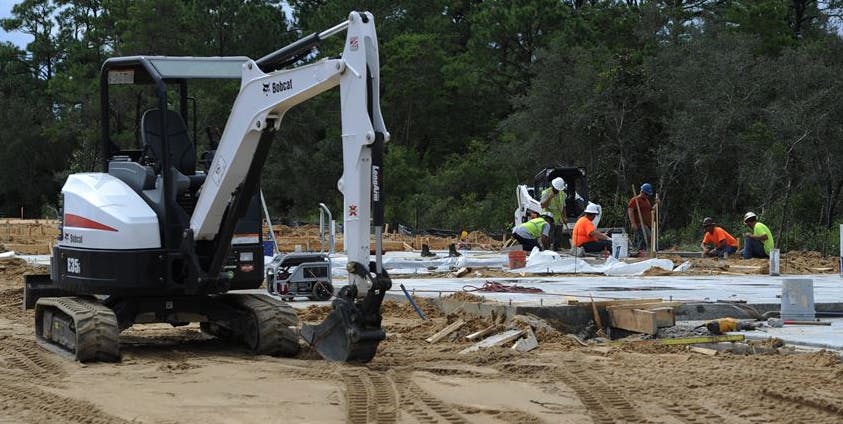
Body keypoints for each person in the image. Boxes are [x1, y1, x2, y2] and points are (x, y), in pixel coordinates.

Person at [540, 177, 568, 251]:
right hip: (548, 217)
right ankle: (547, 250)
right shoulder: (546, 192)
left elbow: (563, 206)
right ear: (553, 186)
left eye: (559, 189)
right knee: (549, 235)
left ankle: (557, 249)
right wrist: (549, 198)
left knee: (558, 235)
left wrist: (565, 217)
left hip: (559, 217)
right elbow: (543, 205)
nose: (558, 191)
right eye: (556, 189)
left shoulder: (562, 194)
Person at [627, 183, 656, 254]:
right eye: (646, 194)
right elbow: (630, 211)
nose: (647, 196)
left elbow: (651, 210)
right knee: (646, 236)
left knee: (648, 238)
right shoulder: (635, 200)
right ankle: (639, 251)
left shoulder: (646, 201)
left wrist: (656, 204)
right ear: (641, 192)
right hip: (640, 224)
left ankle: (642, 251)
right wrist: (633, 223)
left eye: (648, 195)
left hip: (647, 224)